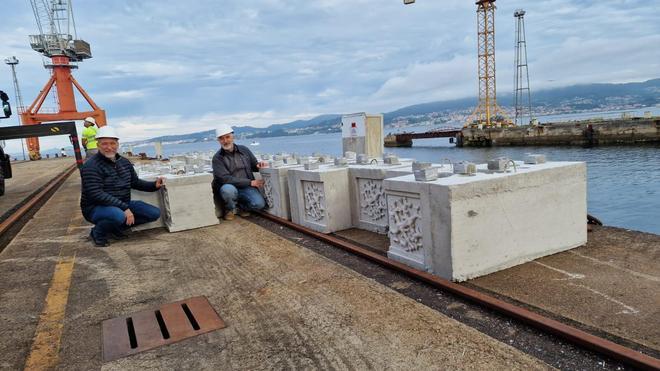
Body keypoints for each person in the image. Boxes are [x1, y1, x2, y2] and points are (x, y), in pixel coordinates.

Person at [80, 126, 163, 247]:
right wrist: (124, 208)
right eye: (104, 144)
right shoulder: (91, 166)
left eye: (112, 143)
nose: (109, 147)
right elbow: (96, 194)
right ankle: (97, 233)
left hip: (121, 203)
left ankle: (113, 228)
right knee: (118, 215)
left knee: (153, 213)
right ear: (98, 145)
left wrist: (154, 185)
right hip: (95, 208)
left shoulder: (124, 162)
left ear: (117, 144)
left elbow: (134, 182)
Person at [212, 124, 268, 221]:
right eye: (221, 138)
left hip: (246, 187)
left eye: (227, 137)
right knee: (227, 190)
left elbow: (254, 165)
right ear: (218, 140)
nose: (225, 141)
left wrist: (259, 165)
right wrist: (250, 182)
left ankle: (240, 207)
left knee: (259, 204)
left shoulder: (244, 150)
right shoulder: (217, 158)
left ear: (233, 136)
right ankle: (229, 208)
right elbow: (225, 179)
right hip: (230, 187)